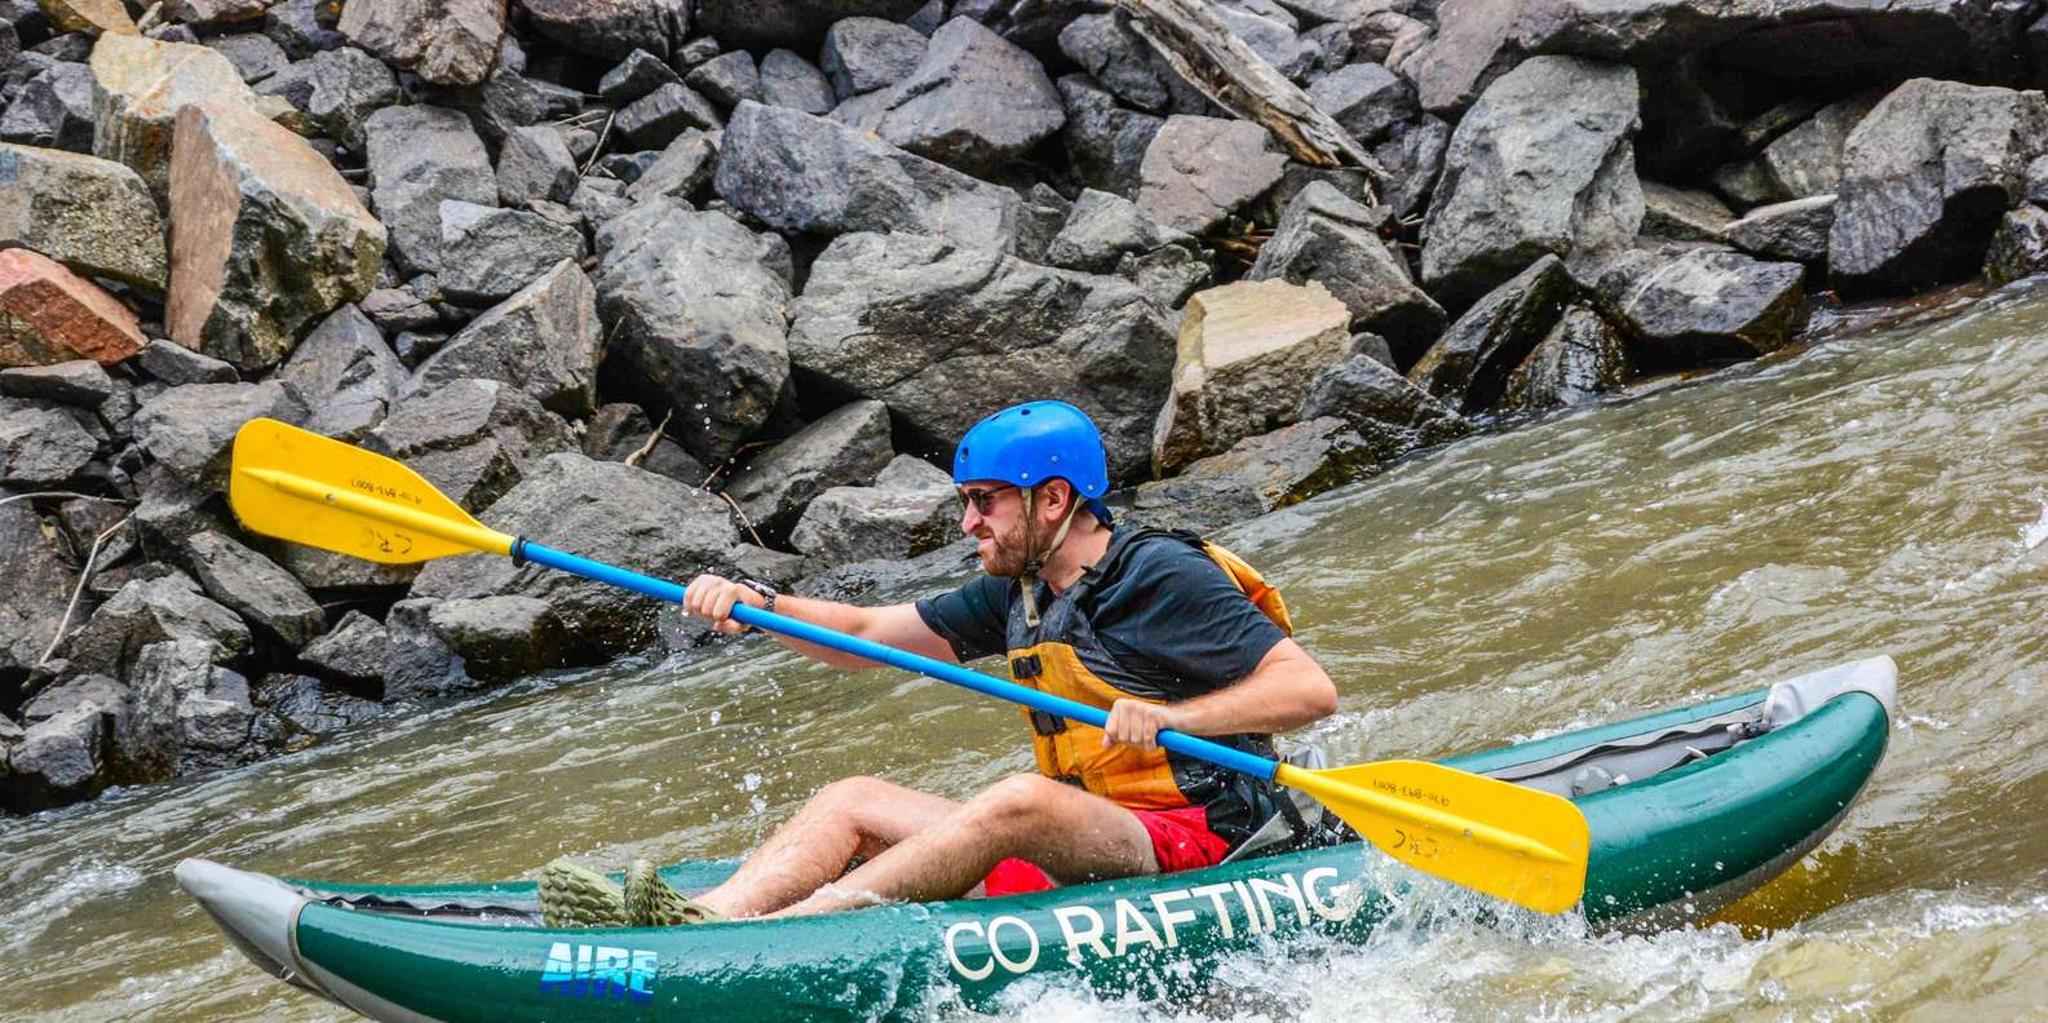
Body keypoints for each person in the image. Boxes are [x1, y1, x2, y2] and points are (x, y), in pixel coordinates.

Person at [537, 400, 1338, 926]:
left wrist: (1172, 718)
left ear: (1052, 500)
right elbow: (864, 634)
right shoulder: (1020, 593)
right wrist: (754, 603)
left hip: (1208, 840)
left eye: (984, 500)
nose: (967, 523)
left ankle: (787, 935)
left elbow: (1307, 687)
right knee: (852, 798)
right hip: (1100, 832)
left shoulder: (1158, 574)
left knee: (1018, 797)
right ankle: (705, 919)